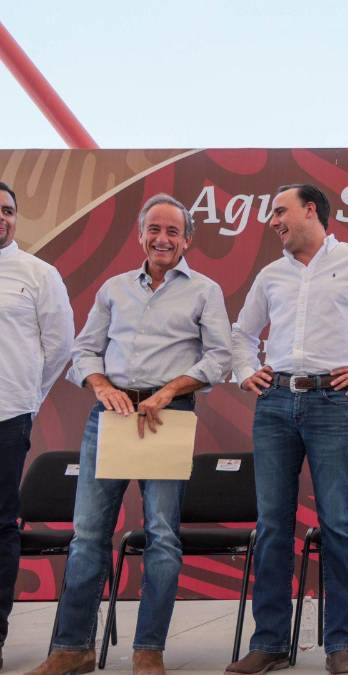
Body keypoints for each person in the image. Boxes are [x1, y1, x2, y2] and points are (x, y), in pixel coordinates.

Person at [27, 194, 232, 675]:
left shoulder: (205, 291)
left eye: (173, 231)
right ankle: (72, 648)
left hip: (168, 416)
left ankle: (148, 650)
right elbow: (84, 351)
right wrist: (100, 385)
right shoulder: (113, 289)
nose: (162, 238)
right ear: (140, 235)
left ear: (187, 240)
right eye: (154, 229)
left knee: (162, 535)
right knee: (87, 535)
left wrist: (169, 390)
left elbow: (220, 358)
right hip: (111, 416)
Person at [225, 184, 348, 675]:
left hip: (334, 402)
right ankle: (269, 643)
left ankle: (343, 643)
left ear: (310, 211)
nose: (273, 221)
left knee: (338, 525)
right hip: (275, 402)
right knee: (271, 527)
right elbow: (241, 334)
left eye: (279, 211)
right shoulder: (271, 274)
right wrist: (246, 370)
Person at [0, 181, 74, 670]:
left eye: (8, 210)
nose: (1, 217)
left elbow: (60, 346)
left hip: (7, 417)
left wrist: (27, 399)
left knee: (0, 526)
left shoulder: (38, 273)